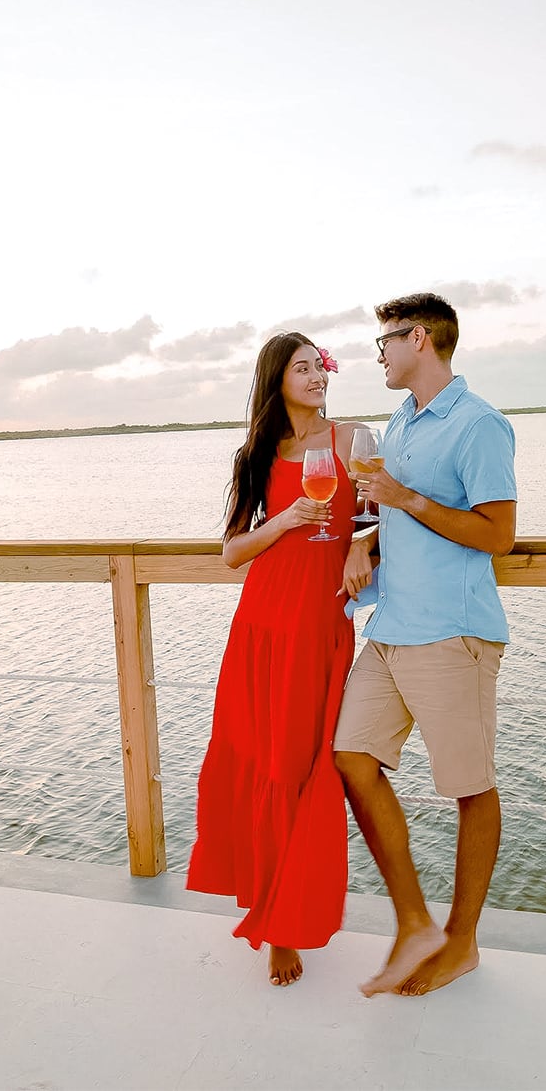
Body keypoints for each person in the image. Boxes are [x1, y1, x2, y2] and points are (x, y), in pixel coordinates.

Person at [336, 293, 517, 997]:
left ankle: (462, 942)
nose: (377, 353)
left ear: (419, 338)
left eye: (384, 341)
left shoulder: (479, 425)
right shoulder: (401, 421)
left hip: (452, 633)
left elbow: (497, 534)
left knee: (471, 787)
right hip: (390, 630)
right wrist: (368, 535)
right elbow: (401, 502)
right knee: (351, 756)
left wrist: (403, 501)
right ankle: (414, 920)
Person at [187, 333, 361, 986]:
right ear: (278, 379)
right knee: (270, 764)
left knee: (314, 766)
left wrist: (360, 549)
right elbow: (233, 552)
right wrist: (285, 520)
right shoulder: (259, 454)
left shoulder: (353, 440)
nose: (318, 375)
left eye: (321, 365)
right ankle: (276, 924)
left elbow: (372, 516)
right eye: (303, 367)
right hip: (264, 625)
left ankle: (292, 908)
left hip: (322, 628)